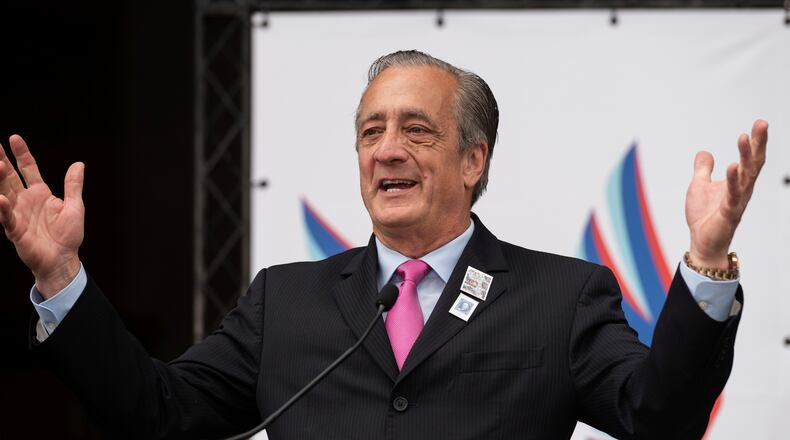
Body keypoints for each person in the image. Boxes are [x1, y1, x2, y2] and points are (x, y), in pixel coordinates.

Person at [0, 50, 767, 439]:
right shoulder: (285, 301)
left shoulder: (563, 298)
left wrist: (704, 265)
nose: (387, 150)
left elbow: (661, 418)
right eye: (371, 132)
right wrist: (65, 279)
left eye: (417, 130)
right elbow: (156, 416)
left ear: (474, 160)